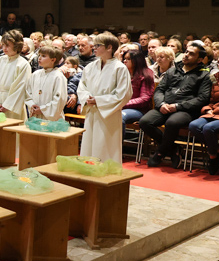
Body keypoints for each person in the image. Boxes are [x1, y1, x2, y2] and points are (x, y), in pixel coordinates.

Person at [140, 41, 212, 168]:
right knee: (145, 122)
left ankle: (160, 153)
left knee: (172, 123)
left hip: (185, 110)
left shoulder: (204, 75)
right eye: (186, 52)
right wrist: (161, 104)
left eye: (191, 54)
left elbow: (202, 98)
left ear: (200, 59)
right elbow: (159, 90)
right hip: (165, 106)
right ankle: (173, 148)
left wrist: (177, 106)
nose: (186, 55)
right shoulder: (172, 70)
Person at [77, 32, 132, 163]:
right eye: (94, 45)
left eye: (98, 45)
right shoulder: (90, 67)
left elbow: (123, 94)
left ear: (109, 47)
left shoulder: (120, 68)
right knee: (89, 144)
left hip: (108, 114)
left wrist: (99, 100)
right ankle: (88, 169)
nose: (94, 48)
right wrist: (87, 98)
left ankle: (106, 171)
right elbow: (82, 86)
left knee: (106, 146)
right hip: (92, 111)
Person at [0, 29, 30, 119]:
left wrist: (7, 106)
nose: (4, 48)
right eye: (3, 45)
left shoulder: (23, 64)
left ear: (17, 46)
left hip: (12, 105)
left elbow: (21, 88)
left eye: (7, 45)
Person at [25, 45, 67, 121]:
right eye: (39, 55)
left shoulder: (58, 77)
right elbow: (28, 93)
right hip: (35, 115)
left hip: (51, 118)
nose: (39, 58)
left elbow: (59, 99)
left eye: (43, 56)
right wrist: (32, 105)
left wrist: (43, 109)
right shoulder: (35, 74)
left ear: (53, 60)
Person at [121, 47, 154, 125]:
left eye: (128, 59)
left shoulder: (146, 74)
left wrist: (124, 104)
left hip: (139, 110)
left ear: (137, 61)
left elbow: (144, 99)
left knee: (119, 117)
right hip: (121, 106)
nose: (125, 61)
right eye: (124, 59)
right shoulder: (123, 73)